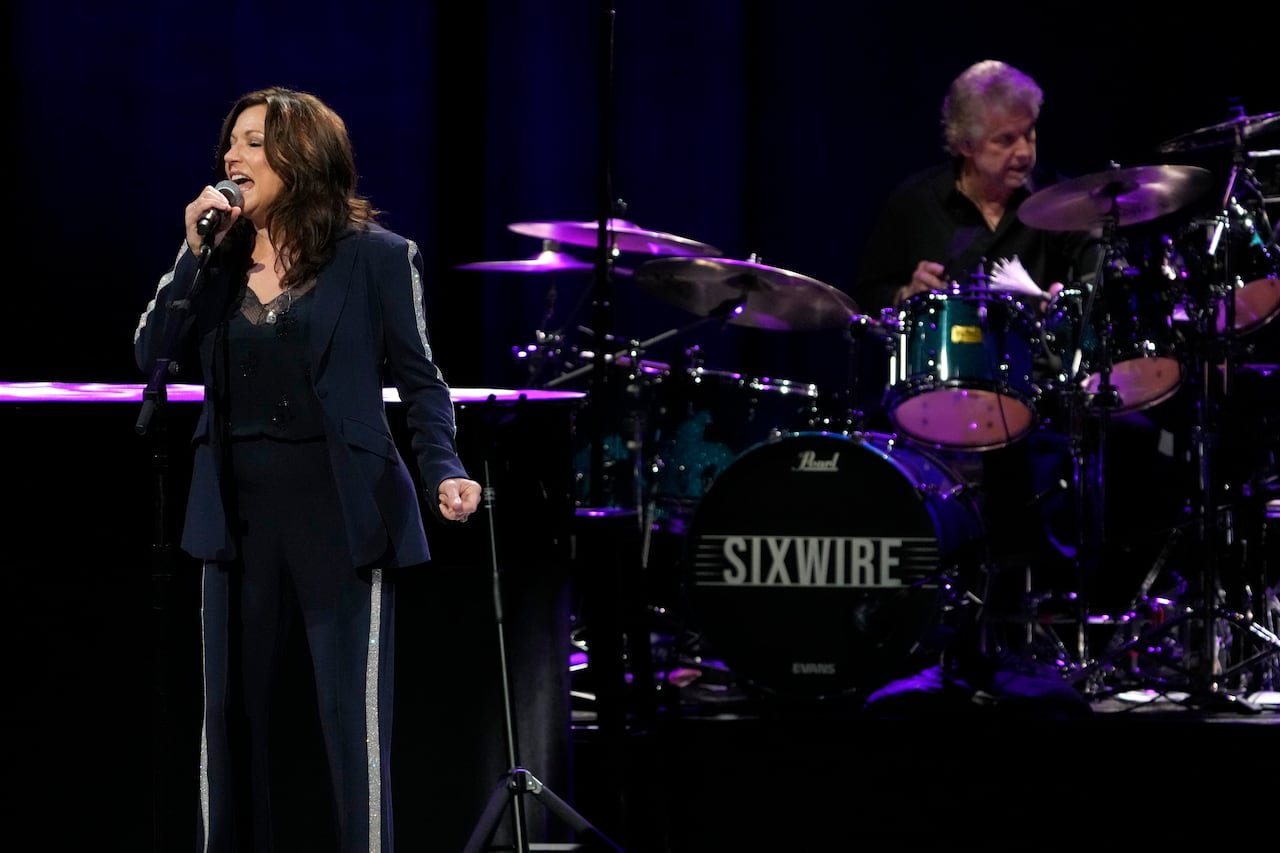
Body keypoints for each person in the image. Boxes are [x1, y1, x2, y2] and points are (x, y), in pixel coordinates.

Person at [134, 86, 482, 852]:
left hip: (341, 506)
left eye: (253, 142)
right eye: (231, 141)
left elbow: (422, 381)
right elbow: (150, 354)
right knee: (227, 716)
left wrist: (442, 468)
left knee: (347, 719)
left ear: (303, 155)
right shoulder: (213, 258)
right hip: (232, 509)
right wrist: (189, 253)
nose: (232, 156)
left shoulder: (379, 259)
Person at [853, 60, 1183, 674]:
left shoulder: (1063, 205)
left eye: (1030, 133)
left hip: (1042, 396)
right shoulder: (914, 202)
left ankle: (1094, 621)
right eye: (1006, 139)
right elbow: (866, 295)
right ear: (964, 143)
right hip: (939, 398)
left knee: (1148, 446)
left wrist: (1073, 303)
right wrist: (902, 294)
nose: (1024, 151)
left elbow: (1097, 292)